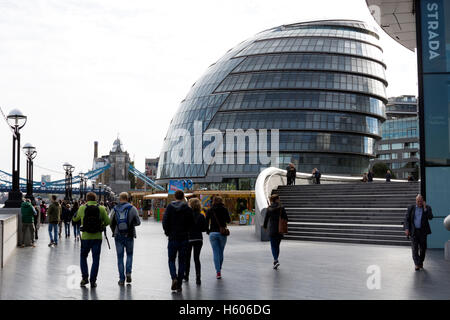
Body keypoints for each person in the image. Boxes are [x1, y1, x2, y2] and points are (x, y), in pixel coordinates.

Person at [73, 192, 111, 288]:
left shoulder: (82, 208)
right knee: (96, 259)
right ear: (96, 199)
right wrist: (101, 224)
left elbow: (74, 219)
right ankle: (93, 281)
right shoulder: (101, 208)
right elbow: (107, 222)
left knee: (83, 257)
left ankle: (85, 278)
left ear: (87, 199)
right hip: (97, 237)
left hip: (85, 237)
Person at [162, 190, 194, 292]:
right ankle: (179, 284)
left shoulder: (170, 207)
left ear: (175, 197)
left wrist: (167, 232)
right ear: (183, 196)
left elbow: (165, 220)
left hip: (172, 237)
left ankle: (174, 278)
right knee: (182, 261)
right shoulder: (188, 208)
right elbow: (192, 223)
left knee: (171, 259)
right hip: (184, 237)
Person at [109, 192, 141, 286]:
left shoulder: (115, 209)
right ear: (127, 198)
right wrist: (130, 225)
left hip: (118, 236)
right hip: (130, 235)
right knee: (129, 255)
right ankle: (128, 273)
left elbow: (111, 222)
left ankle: (121, 279)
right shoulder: (132, 208)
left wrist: (114, 231)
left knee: (120, 257)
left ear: (120, 198)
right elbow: (138, 222)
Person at [404, 194, 433, 271]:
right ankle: (417, 264)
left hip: (423, 232)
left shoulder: (427, 208)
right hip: (414, 231)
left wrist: (424, 208)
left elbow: (430, 217)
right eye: (418, 201)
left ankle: (420, 262)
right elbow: (406, 219)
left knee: (423, 248)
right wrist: (406, 228)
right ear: (416, 201)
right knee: (414, 248)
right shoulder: (411, 208)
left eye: (421, 201)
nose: (419, 202)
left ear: (423, 201)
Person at [206, 196, 231, 280]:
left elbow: (206, 221)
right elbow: (228, 220)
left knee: (215, 252)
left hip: (213, 233)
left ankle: (218, 271)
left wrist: (208, 231)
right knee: (221, 252)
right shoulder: (224, 209)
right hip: (222, 233)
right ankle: (219, 267)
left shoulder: (210, 210)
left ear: (213, 201)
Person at [184, 197, 207, 285]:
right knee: (196, 258)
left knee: (187, 258)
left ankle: (186, 276)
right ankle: (198, 278)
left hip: (189, 238)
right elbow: (204, 229)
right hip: (198, 238)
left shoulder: (186, 215)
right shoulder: (201, 216)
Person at [263, 194, 288, 269]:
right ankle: (276, 260)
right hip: (280, 230)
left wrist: (265, 226)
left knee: (273, 246)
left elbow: (266, 219)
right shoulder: (281, 208)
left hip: (272, 229)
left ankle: (275, 260)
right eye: (278, 198)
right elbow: (286, 218)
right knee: (277, 245)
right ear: (277, 199)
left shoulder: (269, 208)